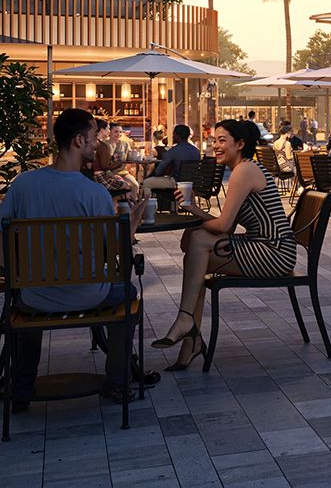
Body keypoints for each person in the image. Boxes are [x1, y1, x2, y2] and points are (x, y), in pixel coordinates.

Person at [1, 109, 162, 406]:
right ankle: (117, 383)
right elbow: (114, 250)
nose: (97, 144)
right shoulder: (94, 193)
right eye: (93, 138)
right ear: (77, 141)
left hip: (34, 297)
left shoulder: (22, 185)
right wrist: (135, 217)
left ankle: (21, 388)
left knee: (19, 301)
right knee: (127, 293)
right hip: (88, 294)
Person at [150, 118, 297, 370]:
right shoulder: (245, 168)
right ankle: (189, 336)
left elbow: (224, 226)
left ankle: (187, 326)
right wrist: (193, 212)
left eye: (222, 141)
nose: (215, 146)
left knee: (198, 245)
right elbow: (222, 224)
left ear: (239, 144)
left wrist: (192, 213)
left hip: (275, 252)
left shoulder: (244, 171)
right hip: (263, 245)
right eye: (214, 140)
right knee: (197, 247)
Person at [143, 123, 200, 202]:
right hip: (192, 182)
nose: (172, 136)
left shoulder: (173, 151)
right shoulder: (196, 151)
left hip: (176, 182)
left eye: (173, 134)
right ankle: (173, 208)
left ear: (177, 136)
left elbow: (159, 171)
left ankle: (148, 208)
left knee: (146, 183)